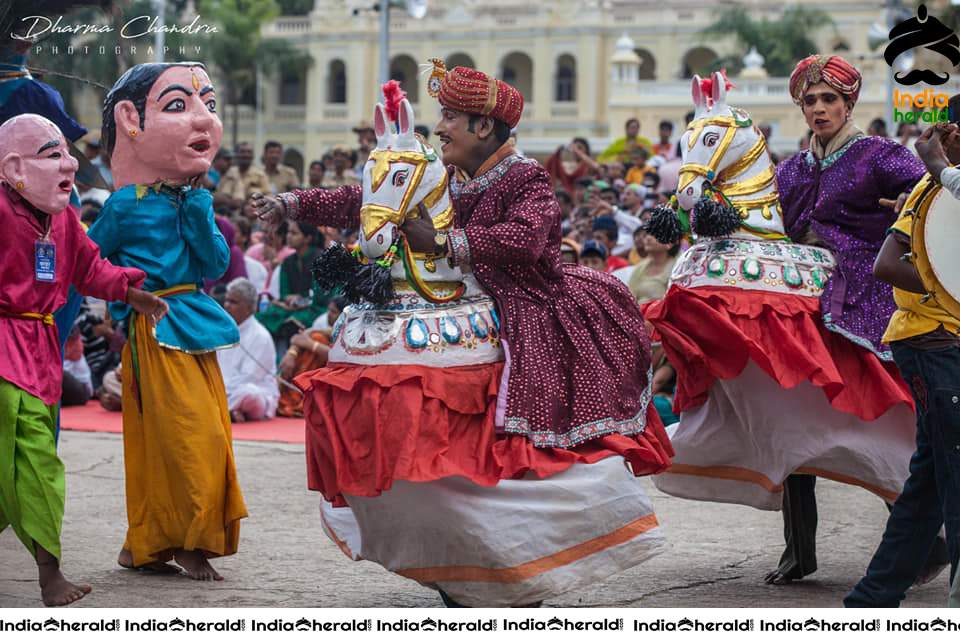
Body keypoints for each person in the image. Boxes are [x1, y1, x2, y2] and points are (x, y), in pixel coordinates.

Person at [252, 64, 671, 607]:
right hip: (460, 302)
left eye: (450, 116)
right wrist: (296, 204)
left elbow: (524, 240)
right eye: (441, 114)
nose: (440, 126)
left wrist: (449, 241)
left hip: (530, 311)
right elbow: (375, 193)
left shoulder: (527, 178)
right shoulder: (448, 174)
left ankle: (522, 565)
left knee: (522, 457)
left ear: (484, 127)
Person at [769, 54, 929, 584]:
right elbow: (768, 221)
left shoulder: (879, 154)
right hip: (805, 303)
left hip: (864, 299)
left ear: (848, 103)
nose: (819, 108)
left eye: (828, 99)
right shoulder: (791, 168)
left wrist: (908, 201)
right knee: (791, 414)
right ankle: (798, 551)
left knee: (879, 419)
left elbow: (929, 195)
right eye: (810, 101)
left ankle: (928, 543)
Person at [88, 62, 247, 581]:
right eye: (178, 105)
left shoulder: (193, 200)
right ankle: (186, 543)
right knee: (182, 438)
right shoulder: (122, 205)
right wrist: (127, 297)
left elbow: (216, 265)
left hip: (194, 325)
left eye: (209, 105)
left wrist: (199, 203)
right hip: (153, 332)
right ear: (131, 120)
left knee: (209, 437)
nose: (202, 119)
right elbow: (85, 265)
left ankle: (144, 545)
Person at [0, 114, 166, 606]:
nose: (69, 163)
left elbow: (90, 267)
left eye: (68, 153)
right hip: (5, 347)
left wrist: (134, 294)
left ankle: (47, 565)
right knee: (33, 459)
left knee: (23, 459)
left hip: (41, 349)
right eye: (52, 154)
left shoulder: (63, 218)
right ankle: (50, 574)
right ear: (14, 167)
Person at [845, 121, 960, 607]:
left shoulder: (932, 187)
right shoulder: (936, 188)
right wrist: (948, 291)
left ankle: (873, 598)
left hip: (928, 340)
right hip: (939, 342)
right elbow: (886, 266)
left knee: (931, 481)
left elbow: (893, 263)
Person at [218, 278, 279, 422]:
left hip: (253, 395)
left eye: (233, 302)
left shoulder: (260, 336)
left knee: (249, 393)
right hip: (222, 392)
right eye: (226, 300)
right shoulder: (222, 330)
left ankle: (218, 411)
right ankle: (231, 411)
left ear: (249, 307)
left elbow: (250, 378)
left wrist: (219, 391)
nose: (226, 305)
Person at [256, 220, 327, 340]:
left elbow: (321, 297)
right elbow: (284, 293)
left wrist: (301, 301)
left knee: (297, 320)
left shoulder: (321, 260)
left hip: (315, 308)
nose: (288, 236)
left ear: (307, 238)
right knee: (262, 317)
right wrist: (287, 300)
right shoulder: (288, 262)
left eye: (294, 233)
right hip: (290, 308)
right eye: (288, 232)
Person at [218, 142, 270, 211]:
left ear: (253, 155)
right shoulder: (229, 172)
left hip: (253, 215)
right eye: (242, 152)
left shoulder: (260, 175)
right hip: (228, 214)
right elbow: (219, 193)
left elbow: (268, 197)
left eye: (249, 152)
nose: (245, 155)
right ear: (237, 154)